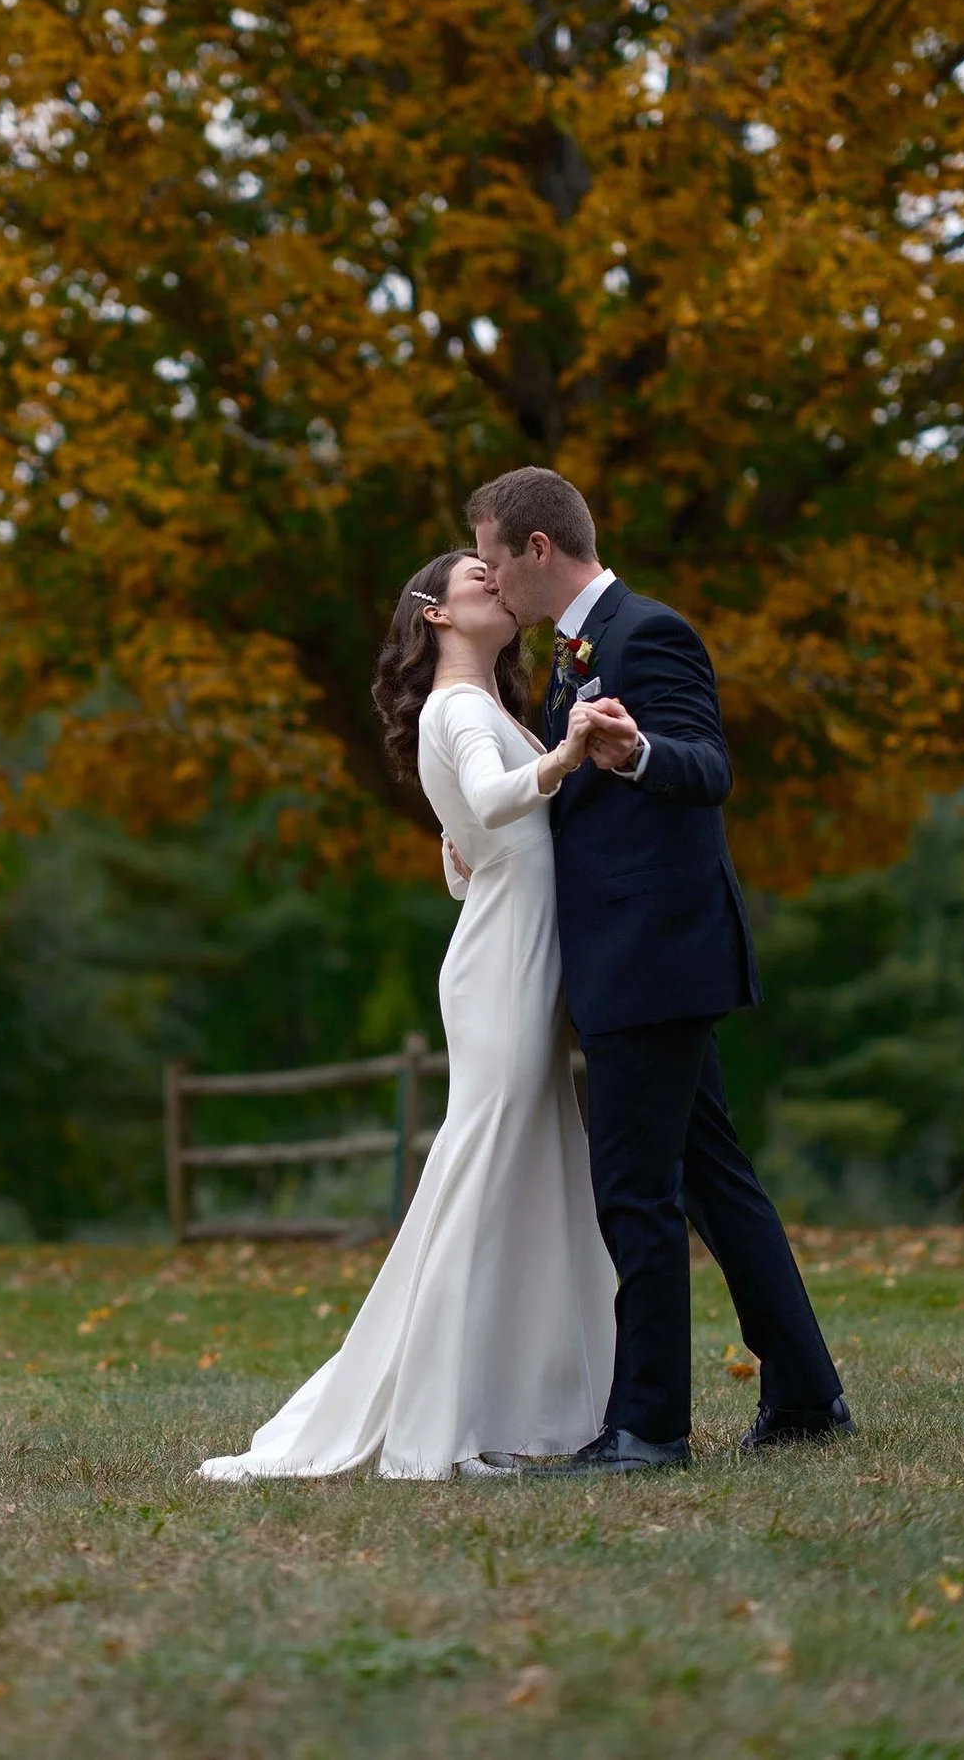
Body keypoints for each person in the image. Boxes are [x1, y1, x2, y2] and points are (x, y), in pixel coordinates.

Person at [196, 550, 620, 1481]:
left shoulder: (483, 706)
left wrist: (477, 834)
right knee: (483, 1169)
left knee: (528, 1166)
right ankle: (437, 1421)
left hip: (512, 938)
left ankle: (515, 1399)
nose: (496, 583)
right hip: (505, 956)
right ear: (434, 615)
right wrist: (566, 753)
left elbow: (460, 850)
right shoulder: (463, 707)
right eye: (477, 576)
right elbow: (486, 800)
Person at [466, 466, 852, 1474]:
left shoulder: (649, 634)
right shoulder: (570, 656)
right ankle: (807, 1394)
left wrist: (633, 754)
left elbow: (707, 767)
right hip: (632, 958)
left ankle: (648, 1427)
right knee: (717, 1186)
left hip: (653, 957)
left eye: (495, 556)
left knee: (635, 1193)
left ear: (537, 549)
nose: (492, 580)